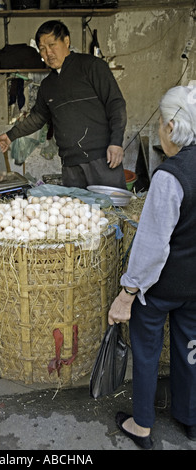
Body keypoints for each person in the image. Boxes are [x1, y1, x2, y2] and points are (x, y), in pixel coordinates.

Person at [108, 85, 196, 450]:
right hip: (194, 287)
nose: (160, 128)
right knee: (191, 347)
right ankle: (190, 419)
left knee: (146, 350)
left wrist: (128, 292)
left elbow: (152, 246)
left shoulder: (169, 177)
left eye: (161, 122)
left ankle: (142, 425)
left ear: (172, 127)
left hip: (161, 287)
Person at [0, 20, 127, 190]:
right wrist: (10, 135)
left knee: (110, 212)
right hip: (70, 165)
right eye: (42, 48)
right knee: (75, 214)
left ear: (66, 41)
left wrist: (116, 142)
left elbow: (115, 103)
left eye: (52, 45)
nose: (48, 53)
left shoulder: (92, 66)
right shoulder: (48, 85)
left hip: (102, 159)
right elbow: (37, 118)